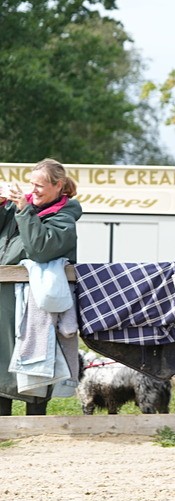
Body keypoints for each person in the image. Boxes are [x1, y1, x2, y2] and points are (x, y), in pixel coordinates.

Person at [0, 159, 82, 416]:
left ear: (58, 186)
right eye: (31, 184)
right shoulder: (18, 209)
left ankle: (36, 427)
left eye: (40, 186)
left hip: (35, 307)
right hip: (6, 302)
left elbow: (41, 249)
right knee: (2, 365)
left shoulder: (64, 218)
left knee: (35, 364)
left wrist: (25, 212)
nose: (33, 190)